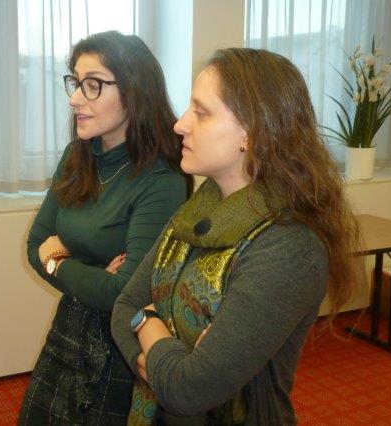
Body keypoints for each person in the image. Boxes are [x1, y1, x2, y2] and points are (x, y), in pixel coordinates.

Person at [111, 48, 361, 425]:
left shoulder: (289, 245)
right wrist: (164, 352)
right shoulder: (196, 210)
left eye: (201, 112)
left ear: (251, 132)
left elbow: (189, 389)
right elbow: (124, 307)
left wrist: (146, 323)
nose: (180, 125)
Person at [19, 31, 191, 425]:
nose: (74, 99)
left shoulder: (162, 177)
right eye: (76, 82)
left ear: (134, 91)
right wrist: (93, 274)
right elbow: (34, 244)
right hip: (68, 329)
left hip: (118, 347)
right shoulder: (77, 156)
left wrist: (57, 260)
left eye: (93, 85)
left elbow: (122, 293)